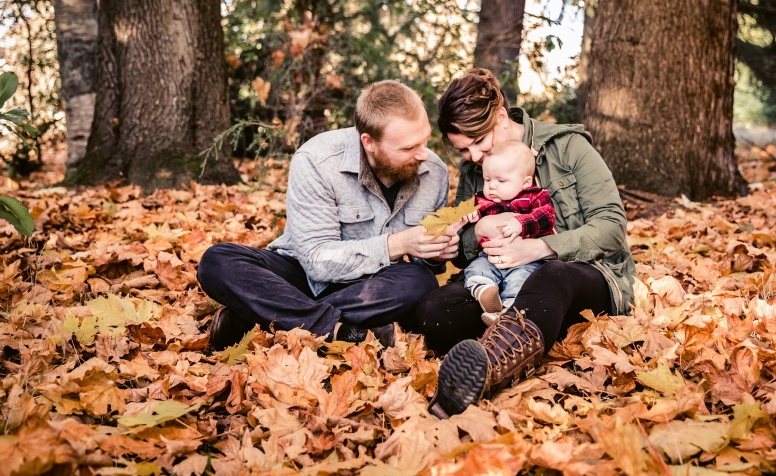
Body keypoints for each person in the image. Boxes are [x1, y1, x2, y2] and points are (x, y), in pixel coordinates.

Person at [419, 68, 637, 419]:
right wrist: (478, 230)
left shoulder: (568, 147)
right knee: (434, 309)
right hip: (505, 285)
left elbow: (611, 227)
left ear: (502, 117)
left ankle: (483, 372)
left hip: (577, 277)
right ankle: (527, 333)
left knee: (551, 276)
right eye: (464, 149)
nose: (474, 157)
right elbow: (462, 248)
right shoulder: (478, 166)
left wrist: (539, 247)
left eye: (479, 143)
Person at [198, 80, 460, 350]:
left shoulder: (435, 172)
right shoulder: (316, 159)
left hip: (370, 288)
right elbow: (315, 261)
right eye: (408, 148)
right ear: (369, 143)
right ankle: (344, 333)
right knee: (217, 261)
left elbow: (423, 265)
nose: (424, 154)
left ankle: (263, 318)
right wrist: (398, 243)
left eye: (425, 140)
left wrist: (434, 254)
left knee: (419, 282)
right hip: (300, 275)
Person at [460, 140, 555, 325]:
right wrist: (468, 213)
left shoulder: (534, 197)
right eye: (487, 180)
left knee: (521, 282)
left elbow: (547, 216)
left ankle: (509, 314)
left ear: (525, 182)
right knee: (476, 268)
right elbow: (466, 212)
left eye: (501, 181)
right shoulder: (482, 199)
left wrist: (521, 223)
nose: (492, 186)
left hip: (526, 260)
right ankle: (484, 291)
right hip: (490, 256)